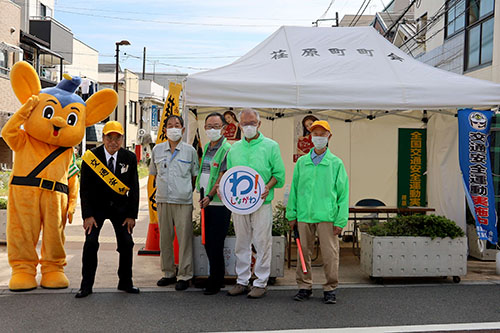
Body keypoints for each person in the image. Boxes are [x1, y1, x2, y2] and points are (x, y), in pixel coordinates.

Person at [286, 120, 349, 304]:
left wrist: (340, 220)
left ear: (329, 136)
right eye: (315, 134)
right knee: (302, 252)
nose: (318, 137)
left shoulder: (335, 163)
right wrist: (292, 214)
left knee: (330, 254)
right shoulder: (302, 162)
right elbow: (295, 190)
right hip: (304, 215)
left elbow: (343, 194)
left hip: (327, 216)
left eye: (322, 134)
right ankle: (304, 286)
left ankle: (330, 287)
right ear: (310, 137)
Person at [226, 108, 285, 299]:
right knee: (241, 242)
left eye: (252, 123)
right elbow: (229, 176)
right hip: (239, 204)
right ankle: (242, 280)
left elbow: (279, 175)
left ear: (259, 124)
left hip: (261, 202)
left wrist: (267, 186)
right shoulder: (233, 149)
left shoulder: (271, 146)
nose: (248, 126)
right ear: (239, 125)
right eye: (244, 123)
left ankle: (260, 282)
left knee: (262, 242)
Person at [76, 121, 140, 298]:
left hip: (121, 209)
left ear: (122, 138)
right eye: (109, 137)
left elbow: (134, 187)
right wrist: (87, 215)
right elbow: (85, 189)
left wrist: (131, 215)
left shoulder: (129, 157)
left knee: (127, 243)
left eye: (117, 138)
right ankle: (86, 285)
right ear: (102, 138)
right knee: (90, 243)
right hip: (96, 209)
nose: (113, 142)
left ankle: (125, 282)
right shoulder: (91, 157)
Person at [150, 115, 199, 291]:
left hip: (183, 201)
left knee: (184, 239)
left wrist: (184, 190)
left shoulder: (190, 151)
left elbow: (195, 176)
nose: (173, 128)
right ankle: (168, 273)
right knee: (165, 239)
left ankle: (185, 275)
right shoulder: (157, 150)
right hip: (163, 200)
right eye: (169, 125)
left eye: (177, 125)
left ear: (183, 129)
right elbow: (154, 174)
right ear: (164, 130)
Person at [195, 112, 232, 295]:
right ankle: (215, 277)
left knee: (215, 243)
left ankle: (216, 280)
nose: (212, 130)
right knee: (208, 242)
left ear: (224, 128)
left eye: (216, 126)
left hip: (218, 203)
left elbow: (222, 176)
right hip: (205, 202)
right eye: (209, 126)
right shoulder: (208, 147)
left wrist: (209, 195)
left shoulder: (226, 149)